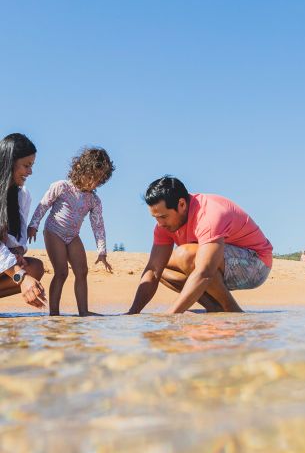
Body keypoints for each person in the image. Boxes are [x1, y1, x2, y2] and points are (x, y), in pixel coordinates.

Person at [128, 176, 273, 314]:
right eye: (155, 218)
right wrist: (132, 313)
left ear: (182, 204)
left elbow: (204, 273)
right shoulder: (163, 226)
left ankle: (231, 309)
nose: (159, 224)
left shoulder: (209, 214)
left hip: (257, 265)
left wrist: (171, 315)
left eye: (163, 217)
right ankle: (215, 308)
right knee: (161, 267)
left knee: (186, 255)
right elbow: (153, 271)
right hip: (218, 263)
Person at [27, 146, 115, 316]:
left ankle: (83, 311)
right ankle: (54, 314)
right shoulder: (61, 186)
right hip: (54, 231)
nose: (93, 183)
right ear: (79, 169)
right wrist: (34, 225)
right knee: (61, 272)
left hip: (73, 236)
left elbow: (98, 225)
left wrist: (102, 251)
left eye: (98, 180)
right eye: (91, 177)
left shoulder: (94, 200)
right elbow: (43, 204)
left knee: (82, 271)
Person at [0, 133, 46, 309]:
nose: (30, 172)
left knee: (34, 267)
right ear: (9, 162)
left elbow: (18, 239)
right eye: (26, 166)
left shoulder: (22, 195)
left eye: (32, 166)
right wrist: (21, 277)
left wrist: (16, 251)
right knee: (24, 274)